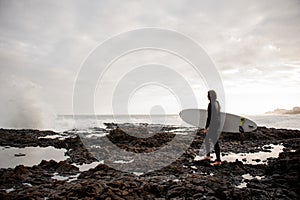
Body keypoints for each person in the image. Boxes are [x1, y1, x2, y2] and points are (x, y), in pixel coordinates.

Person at [203, 90, 222, 166]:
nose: (207, 96)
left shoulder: (211, 104)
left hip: (212, 125)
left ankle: (218, 160)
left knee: (215, 142)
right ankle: (208, 156)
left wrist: (206, 127)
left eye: (207, 95)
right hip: (216, 124)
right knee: (207, 139)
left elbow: (209, 117)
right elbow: (218, 114)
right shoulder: (217, 103)